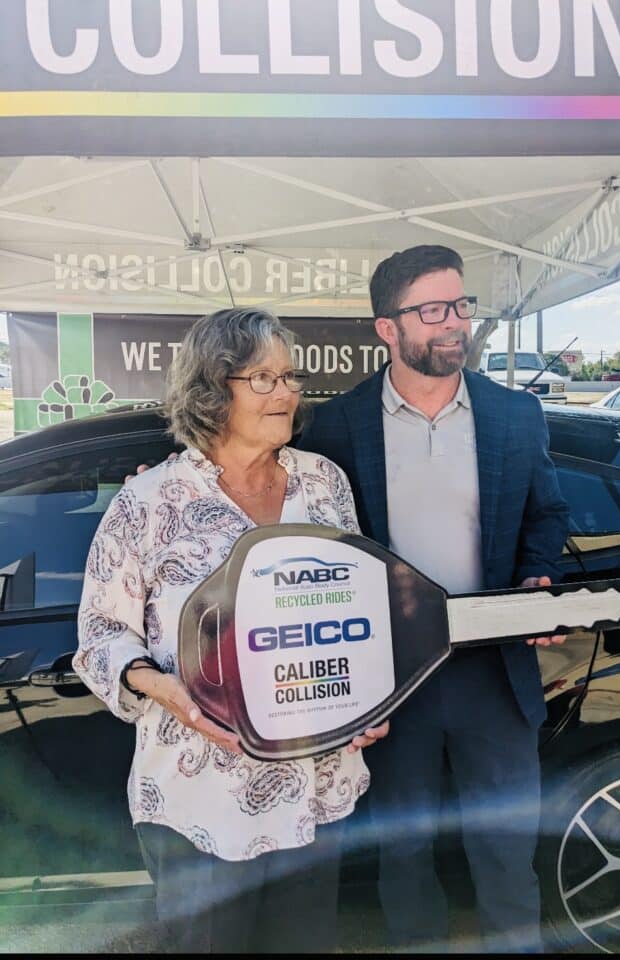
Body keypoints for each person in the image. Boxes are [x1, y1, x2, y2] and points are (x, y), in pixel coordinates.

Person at [72, 308, 388, 954]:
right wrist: (166, 691)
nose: (288, 391)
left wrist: (369, 701)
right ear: (214, 389)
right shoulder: (149, 503)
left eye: (290, 376)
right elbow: (101, 637)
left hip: (312, 794)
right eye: (264, 378)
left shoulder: (324, 485)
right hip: (199, 804)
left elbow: (359, 611)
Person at [297, 245, 570, 952]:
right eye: (433, 310)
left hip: (494, 672)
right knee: (404, 855)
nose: (456, 324)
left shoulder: (515, 415)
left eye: (461, 305)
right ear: (387, 328)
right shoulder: (336, 427)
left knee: (507, 852)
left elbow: (546, 514)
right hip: (392, 681)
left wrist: (538, 578)